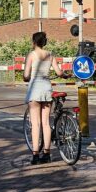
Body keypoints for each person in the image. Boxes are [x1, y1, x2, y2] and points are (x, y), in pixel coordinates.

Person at [24, 31, 62, 164]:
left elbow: (26, 75)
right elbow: (59, 72)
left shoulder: (32, 55)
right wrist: (65, 75)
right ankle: (47, 154)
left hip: (35, 89)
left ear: (34, 42)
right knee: (46, 123)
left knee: (36, 124)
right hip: (46, 89)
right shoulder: (50, 55)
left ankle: (35, 155)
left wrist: (26, 78)